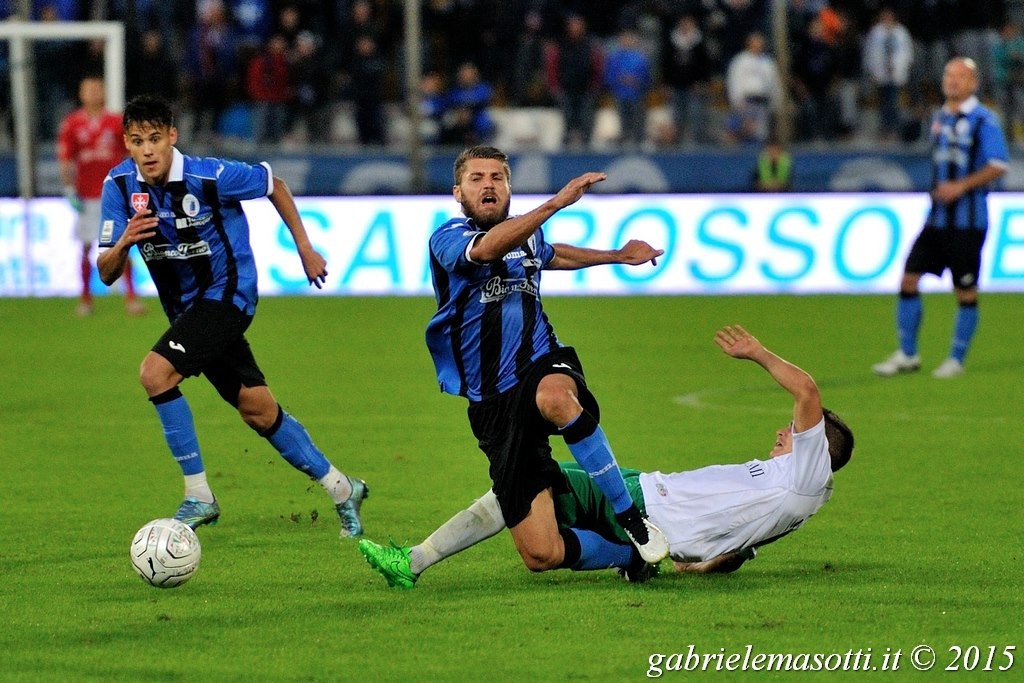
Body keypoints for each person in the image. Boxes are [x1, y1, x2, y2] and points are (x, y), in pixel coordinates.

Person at [359, 325, 855, 588]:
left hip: (645, 505)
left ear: (817, 450)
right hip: (653, 503)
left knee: (524, 501)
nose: (782, 431)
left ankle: (413, 562)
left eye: (792, 432)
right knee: (525, 502)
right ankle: (415, 561)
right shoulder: (790, 501)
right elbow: (737, 552)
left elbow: (807, 390)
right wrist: (701, 568)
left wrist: (758, 353)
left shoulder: (805, 477)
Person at [96, 95, 368, 536]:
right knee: (258, 409)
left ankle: (199, 495)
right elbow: (106, 272)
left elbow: (274, 184)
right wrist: (125, 241)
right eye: (136, 141)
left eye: (154, 139)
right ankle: (342, 488)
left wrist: (303, 247)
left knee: (155, 373)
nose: (146, 150)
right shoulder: (121, 187)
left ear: (172, 137)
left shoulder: (211, 175)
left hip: (229, 296)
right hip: (187, 311)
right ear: (126, 145)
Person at [422, 145, 669, 579]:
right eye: (477, 179)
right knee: (541, 552)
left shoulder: (528, 234)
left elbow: (553, 255)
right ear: (458, 192)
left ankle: (629, 516)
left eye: (497, 177)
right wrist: (556, 203)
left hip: (541, 362)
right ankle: (630, 557)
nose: (489, 186)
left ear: (509, 188)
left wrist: (616, 255)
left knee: (556, 397)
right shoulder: (447, 239)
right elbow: (486, 251)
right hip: (491, 401)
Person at [873, 57, 1009, 379]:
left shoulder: (984, 120)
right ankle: (907, 354)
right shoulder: (939, 118)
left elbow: (998, 165)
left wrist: (961, 185)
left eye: (960, 76)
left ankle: (956, 359)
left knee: (965, 291)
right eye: (948, 74)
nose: (952, 81)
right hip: (936, 220)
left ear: (973, 83)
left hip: (968, 222)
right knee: (908, 279)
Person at [57, 74, 145, 317]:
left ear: (104, 92)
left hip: (114, 195)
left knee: (123, 245)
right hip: (86, 196)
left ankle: (131, 298)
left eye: (98, 89)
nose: (94, 93)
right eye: (89, 89)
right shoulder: (72, 124)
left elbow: (132, 153)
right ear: (81, 94)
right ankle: (85, 299)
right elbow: (65, 159)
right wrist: (68, 190)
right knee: (85, 247)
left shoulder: (116, 122)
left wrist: (133, 184)